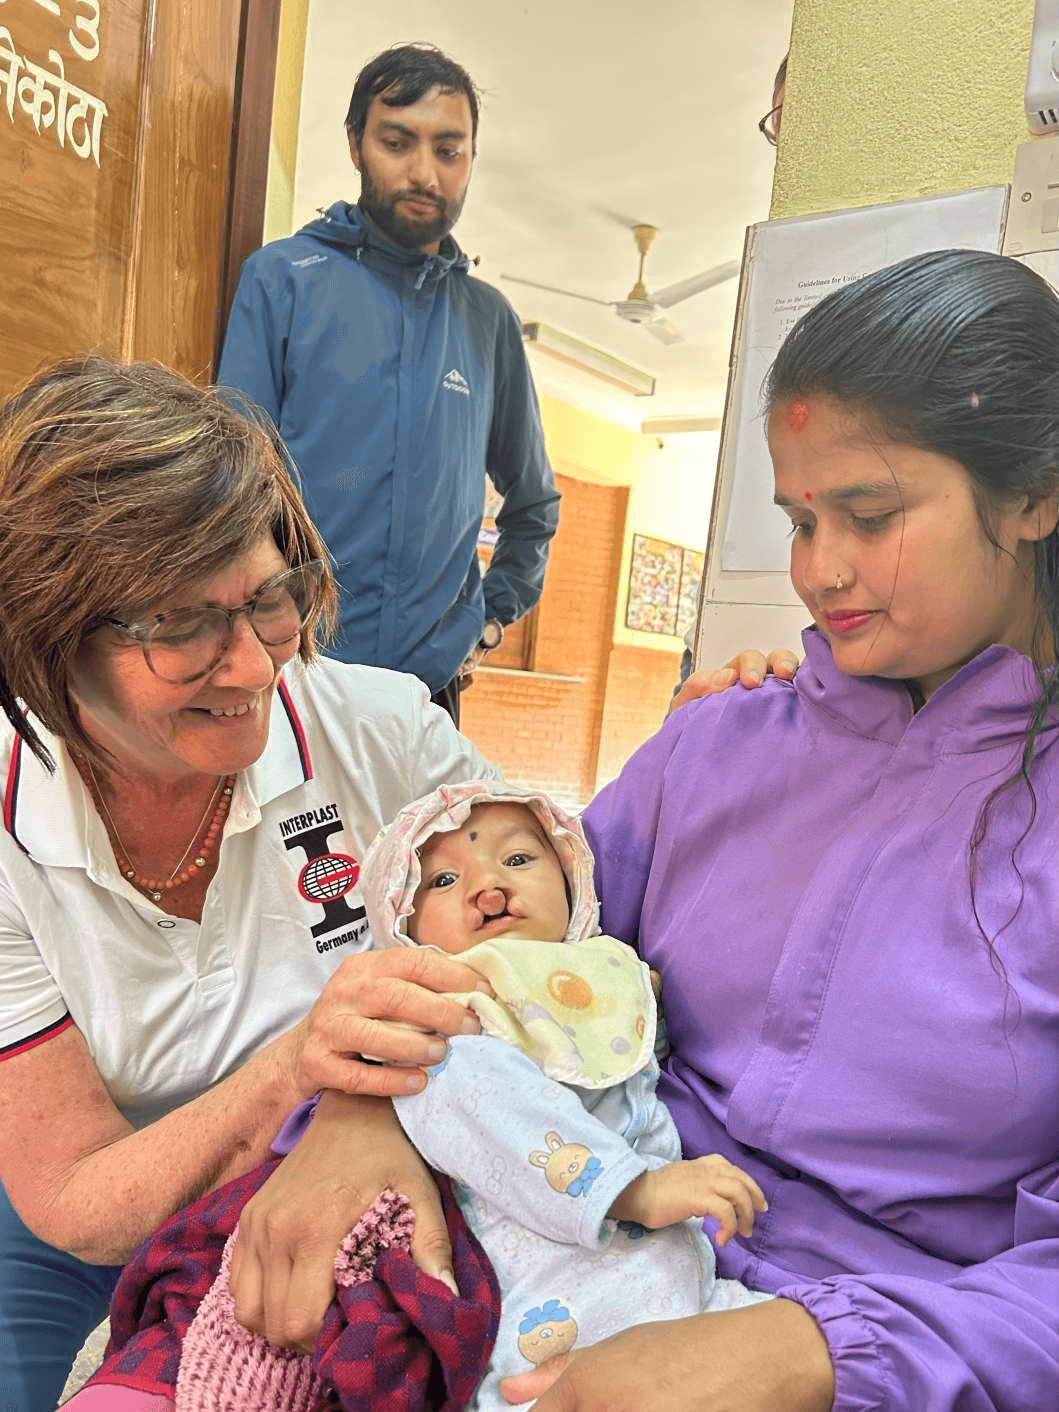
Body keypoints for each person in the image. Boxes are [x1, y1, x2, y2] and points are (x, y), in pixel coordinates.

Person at [226, 248, 1056, 1412]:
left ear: (1031, 495)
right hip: (572, 1238)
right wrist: (362, 1110)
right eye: (798, 519)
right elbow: (497, 962)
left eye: (869, 516)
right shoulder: (713, 748)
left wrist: (819, 1351)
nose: (819, 572)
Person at [0, 357, 506, 1411]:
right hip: (87, 1205)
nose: (251, 669)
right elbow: (73, 1191)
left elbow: (556, 917)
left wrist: (711, 752)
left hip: (343, 1152)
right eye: (179, 624)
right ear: (47, 637)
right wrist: (299, 1069)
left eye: (269, 598)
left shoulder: (382, 729)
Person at [79, 782, 769, 1409]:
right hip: (550, 1295)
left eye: (520, 861)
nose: (489, 887)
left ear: (574, 882)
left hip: (687, 1280)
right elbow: (461, 1094)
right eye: (443, 880)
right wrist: (633, 1190)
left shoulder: (611, 971)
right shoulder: (446, 1004)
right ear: (404, 928)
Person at [217, 43, 560, 725]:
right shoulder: (281, 280)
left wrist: (489, 621)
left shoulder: (486, 321)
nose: (423, 172)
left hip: (426, 698)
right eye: (397, 142)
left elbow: (533, 502)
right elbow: (230, 482)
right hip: (292, 679)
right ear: (355, 144)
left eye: (448, 150)